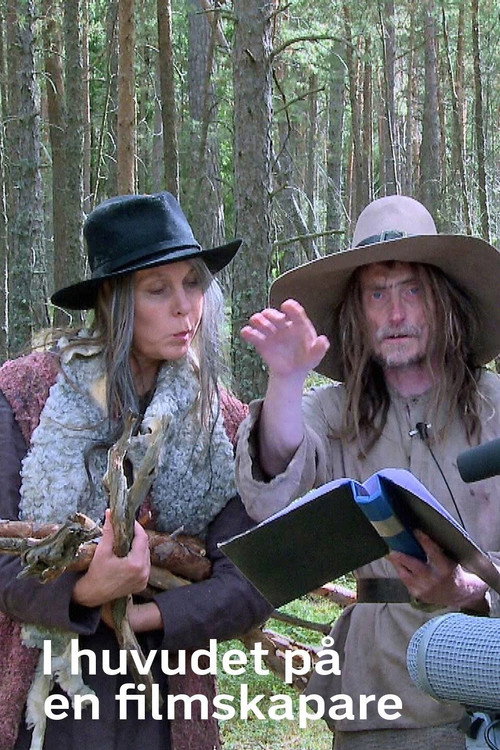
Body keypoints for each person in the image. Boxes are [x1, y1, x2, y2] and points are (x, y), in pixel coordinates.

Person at [0, 191, 272, 750]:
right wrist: (85, 592)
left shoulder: (219, 419)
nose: (185, 307)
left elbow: (250, 578)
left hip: (165, 703)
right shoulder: (27, 395)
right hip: (49, 702)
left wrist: (152, 616)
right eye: (157, 289)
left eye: (192, 283)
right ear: (113, 298)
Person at [235, 194, 500, 749]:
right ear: (357, 310)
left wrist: (469, 586)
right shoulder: (335, 412)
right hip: (378, 691)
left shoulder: (495, 405)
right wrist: (286, 380)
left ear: (443, 300)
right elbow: (273, 486)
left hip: (486, 672)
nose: (395, 314)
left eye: (412, 290)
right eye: (377, 294)